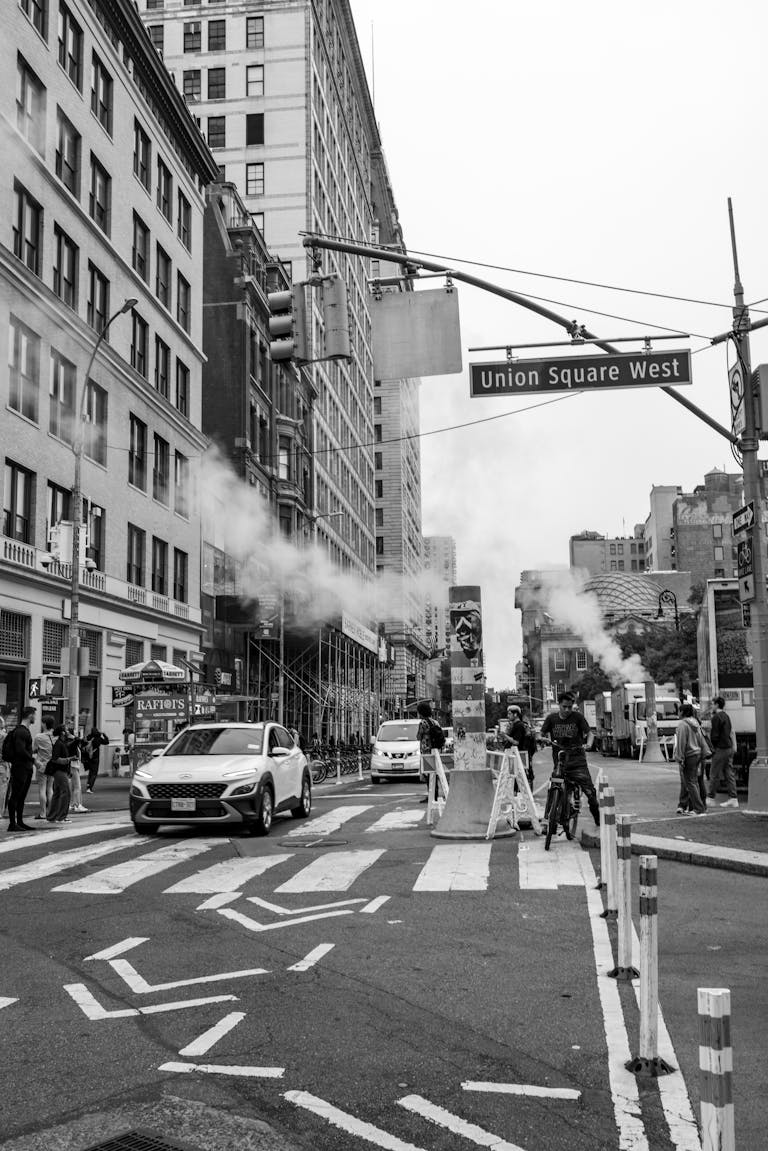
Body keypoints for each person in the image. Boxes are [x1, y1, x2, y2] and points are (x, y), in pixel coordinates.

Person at [540, 692, 600, 825]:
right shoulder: (551, 719)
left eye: (569, 707)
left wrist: (589, 744)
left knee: (590, 793)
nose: (567, 710)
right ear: (559, 705)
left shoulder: (578, 717)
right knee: (554, 787)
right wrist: (541, 738)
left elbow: (589, 733)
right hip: (560, 764)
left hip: (578, 763)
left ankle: (598, 819)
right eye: (564, 707)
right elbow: (541, 733)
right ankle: (547, 821)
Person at [6, 706, 37, 833]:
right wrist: (34, 760)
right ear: (30, 716)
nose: (35, 717)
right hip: (20, 768)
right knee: (16, 795)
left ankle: (19, 822)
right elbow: (20, 750)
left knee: (21, 796)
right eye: (34, 715)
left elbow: (23, 749)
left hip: (25, 768)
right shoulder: (21, 732)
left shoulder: (23, 731)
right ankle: (13, 824)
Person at [674, 703, 707, 816]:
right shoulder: (695, 723)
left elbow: (681, 742)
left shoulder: (683, 725)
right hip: (697, 754)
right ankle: (696, 807)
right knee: (694, 781)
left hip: (689, 755)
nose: (678, 713)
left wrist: (679, 758)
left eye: (679, 711)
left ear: (682, 712)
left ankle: (698, 808)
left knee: (689, 782)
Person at [708, 696, 739, 808]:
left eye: (712, 704)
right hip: (729, 747)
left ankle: (711, 798)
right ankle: (733, 798)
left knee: (714, 773)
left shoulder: (716, 717)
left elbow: (714, 736)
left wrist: (712, 748)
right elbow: (730, 731)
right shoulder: (726, 716)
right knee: (728, 773)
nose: (711, 706)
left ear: (717, 704)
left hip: (720, 748)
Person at [46, 725, 74, 824]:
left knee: (57, 793)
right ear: (62, 732)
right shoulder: (59, 744)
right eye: (66, 730)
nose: (68, 731)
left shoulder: (62, 743)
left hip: (59, 772)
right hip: (60, 772)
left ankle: (52, 816)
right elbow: (56, 759)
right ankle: (61, 817)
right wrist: (70, 759)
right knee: (66, 793)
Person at [502, 705, 535, 785]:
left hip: (518, 754)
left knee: (518, 776)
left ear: (515, 714)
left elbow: (516, 742)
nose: (508, 716)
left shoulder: (519, 725)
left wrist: (505, 735)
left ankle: (518, 791)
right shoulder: (514, 725)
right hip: (516, 755)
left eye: (510, 714)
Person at [32, 716, 55, 819]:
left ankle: (43, 813)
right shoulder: (55, 736)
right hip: (52, 766)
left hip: (41, 766)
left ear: (45, 724)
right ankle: (51, 812)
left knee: (42, 789)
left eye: (42, 722)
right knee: (50, 789)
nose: (41, 724)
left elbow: (34, 750)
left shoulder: (39, 737)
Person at [416, 700, 438, 803]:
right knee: (435, 773)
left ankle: (431, 795)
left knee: (428, 774)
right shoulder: (434, 722)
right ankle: (435, 794)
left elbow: (418, 736)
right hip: (436, 750)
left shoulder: (423, 723)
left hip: (426, 751)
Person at [83, 727, 109, 794]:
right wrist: (104, 735)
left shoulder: (89, 737)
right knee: (94, 773)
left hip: (88, 757)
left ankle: (88, 785)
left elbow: (83, 744)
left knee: (90, 772)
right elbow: (107, 742)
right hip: (95, 757)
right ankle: (89, 787)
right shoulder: (98, 738)